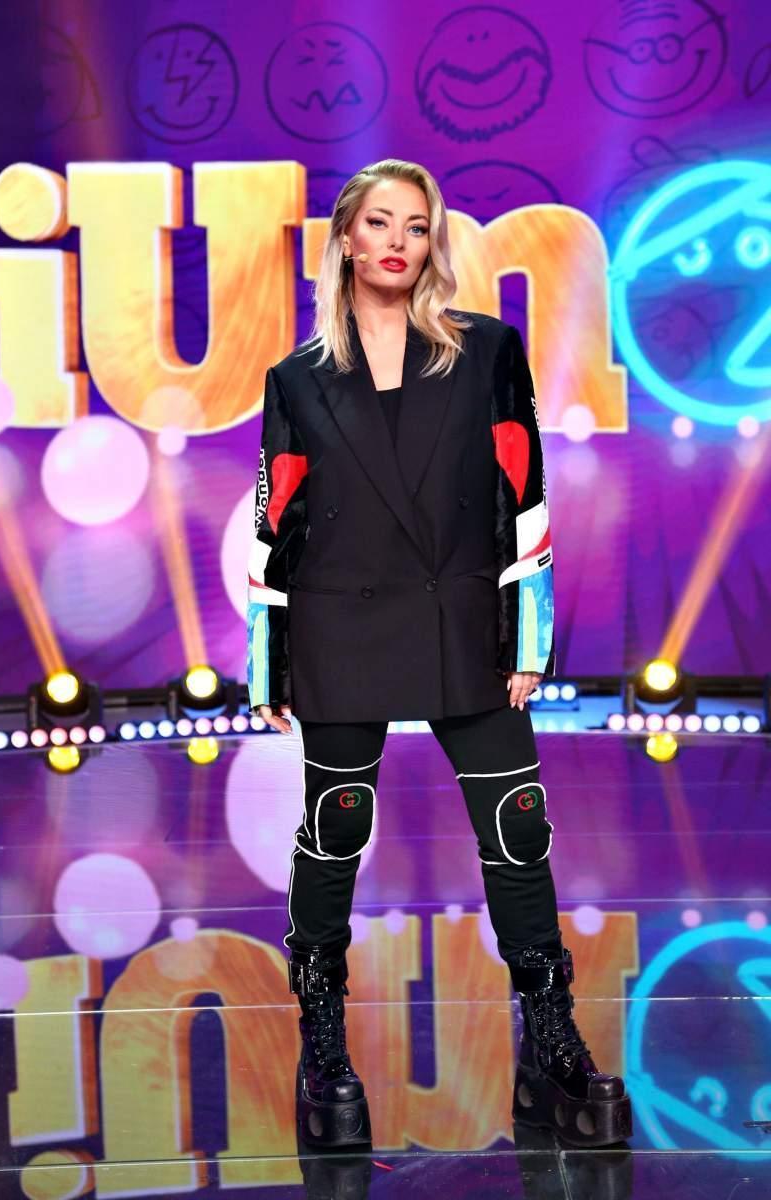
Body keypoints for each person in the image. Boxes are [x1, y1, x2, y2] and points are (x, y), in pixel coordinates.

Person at [245, 158, 631, 1150]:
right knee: (334, 831)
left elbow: (522, 491)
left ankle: (551, 1044)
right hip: (339, 623)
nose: (396, 242)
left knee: (517, 830)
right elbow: (275, 516)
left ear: (431, 244)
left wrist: (528, 634)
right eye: (378, 222)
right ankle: (322, 1044)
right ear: (344, 237)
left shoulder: (487, 350)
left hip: (461, 618)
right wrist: (267, 659)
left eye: (415, 227)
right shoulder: (295, 379)